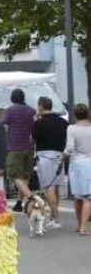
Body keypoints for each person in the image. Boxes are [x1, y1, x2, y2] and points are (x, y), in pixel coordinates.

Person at [32, 96, 67, 229]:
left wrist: (35, 121)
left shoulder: (38, 123)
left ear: (41, 106)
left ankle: (55, 218)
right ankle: (53, 217)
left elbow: (32, 139)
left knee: (49, 187)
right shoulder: (63, 122)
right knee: (56, 186)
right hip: (59, 155)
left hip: (44, 157)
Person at [2, 88, 36, 212]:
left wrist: (8, 138)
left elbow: (5, 127)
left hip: (15, 147)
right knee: (24, 176)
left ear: (12, 98)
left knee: (14, 175)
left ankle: (31, 198)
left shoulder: (10, 110)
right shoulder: (32, 111)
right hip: (29, 147)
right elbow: (34, 128)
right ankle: (18, 203)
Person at [65, 104, 91, 236]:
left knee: (78, 196)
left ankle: (79, 224)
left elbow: (69, 148)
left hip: (75, 163)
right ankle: (84, 227)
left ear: (75, 114)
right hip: (88, 163)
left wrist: (63, 156)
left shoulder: (71, 128)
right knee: (88, 196)